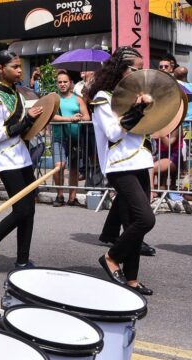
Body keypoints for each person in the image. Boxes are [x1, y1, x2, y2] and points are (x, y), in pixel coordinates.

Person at [89, 46, 155, 295]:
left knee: (132, 223)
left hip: (141, 161)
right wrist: (137, 109)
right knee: (145, 219)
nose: (138, 73)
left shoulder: (137, 93)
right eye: (133, 68)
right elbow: (114, 133)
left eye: (140, 68)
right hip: (120, 165)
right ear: (120, 69)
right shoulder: (103, 98)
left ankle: (132, 280)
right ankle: (111, 257)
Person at [0, 50, 43, 275]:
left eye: (19, 66)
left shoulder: (17, 94)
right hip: (6, 160)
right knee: (22, 209)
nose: (19, 70)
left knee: (29, 209)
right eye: (14, 66)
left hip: (21, 157)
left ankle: (22, 261)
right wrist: (27, 121)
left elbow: (24, 126)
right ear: (0, 69)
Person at [51, 70, 90, 206]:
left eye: (65, 82)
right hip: (59, 138)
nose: (62, 84)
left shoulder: (77, 99)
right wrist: (69, 119)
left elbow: (87, 117)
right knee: (58, 167)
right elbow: (51, 116)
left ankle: (72, 198)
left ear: (70, 83)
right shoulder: (53, 98)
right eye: (60, 82)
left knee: (74, 169)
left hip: (75, 139)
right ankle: (60, 195)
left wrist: (79, 117)